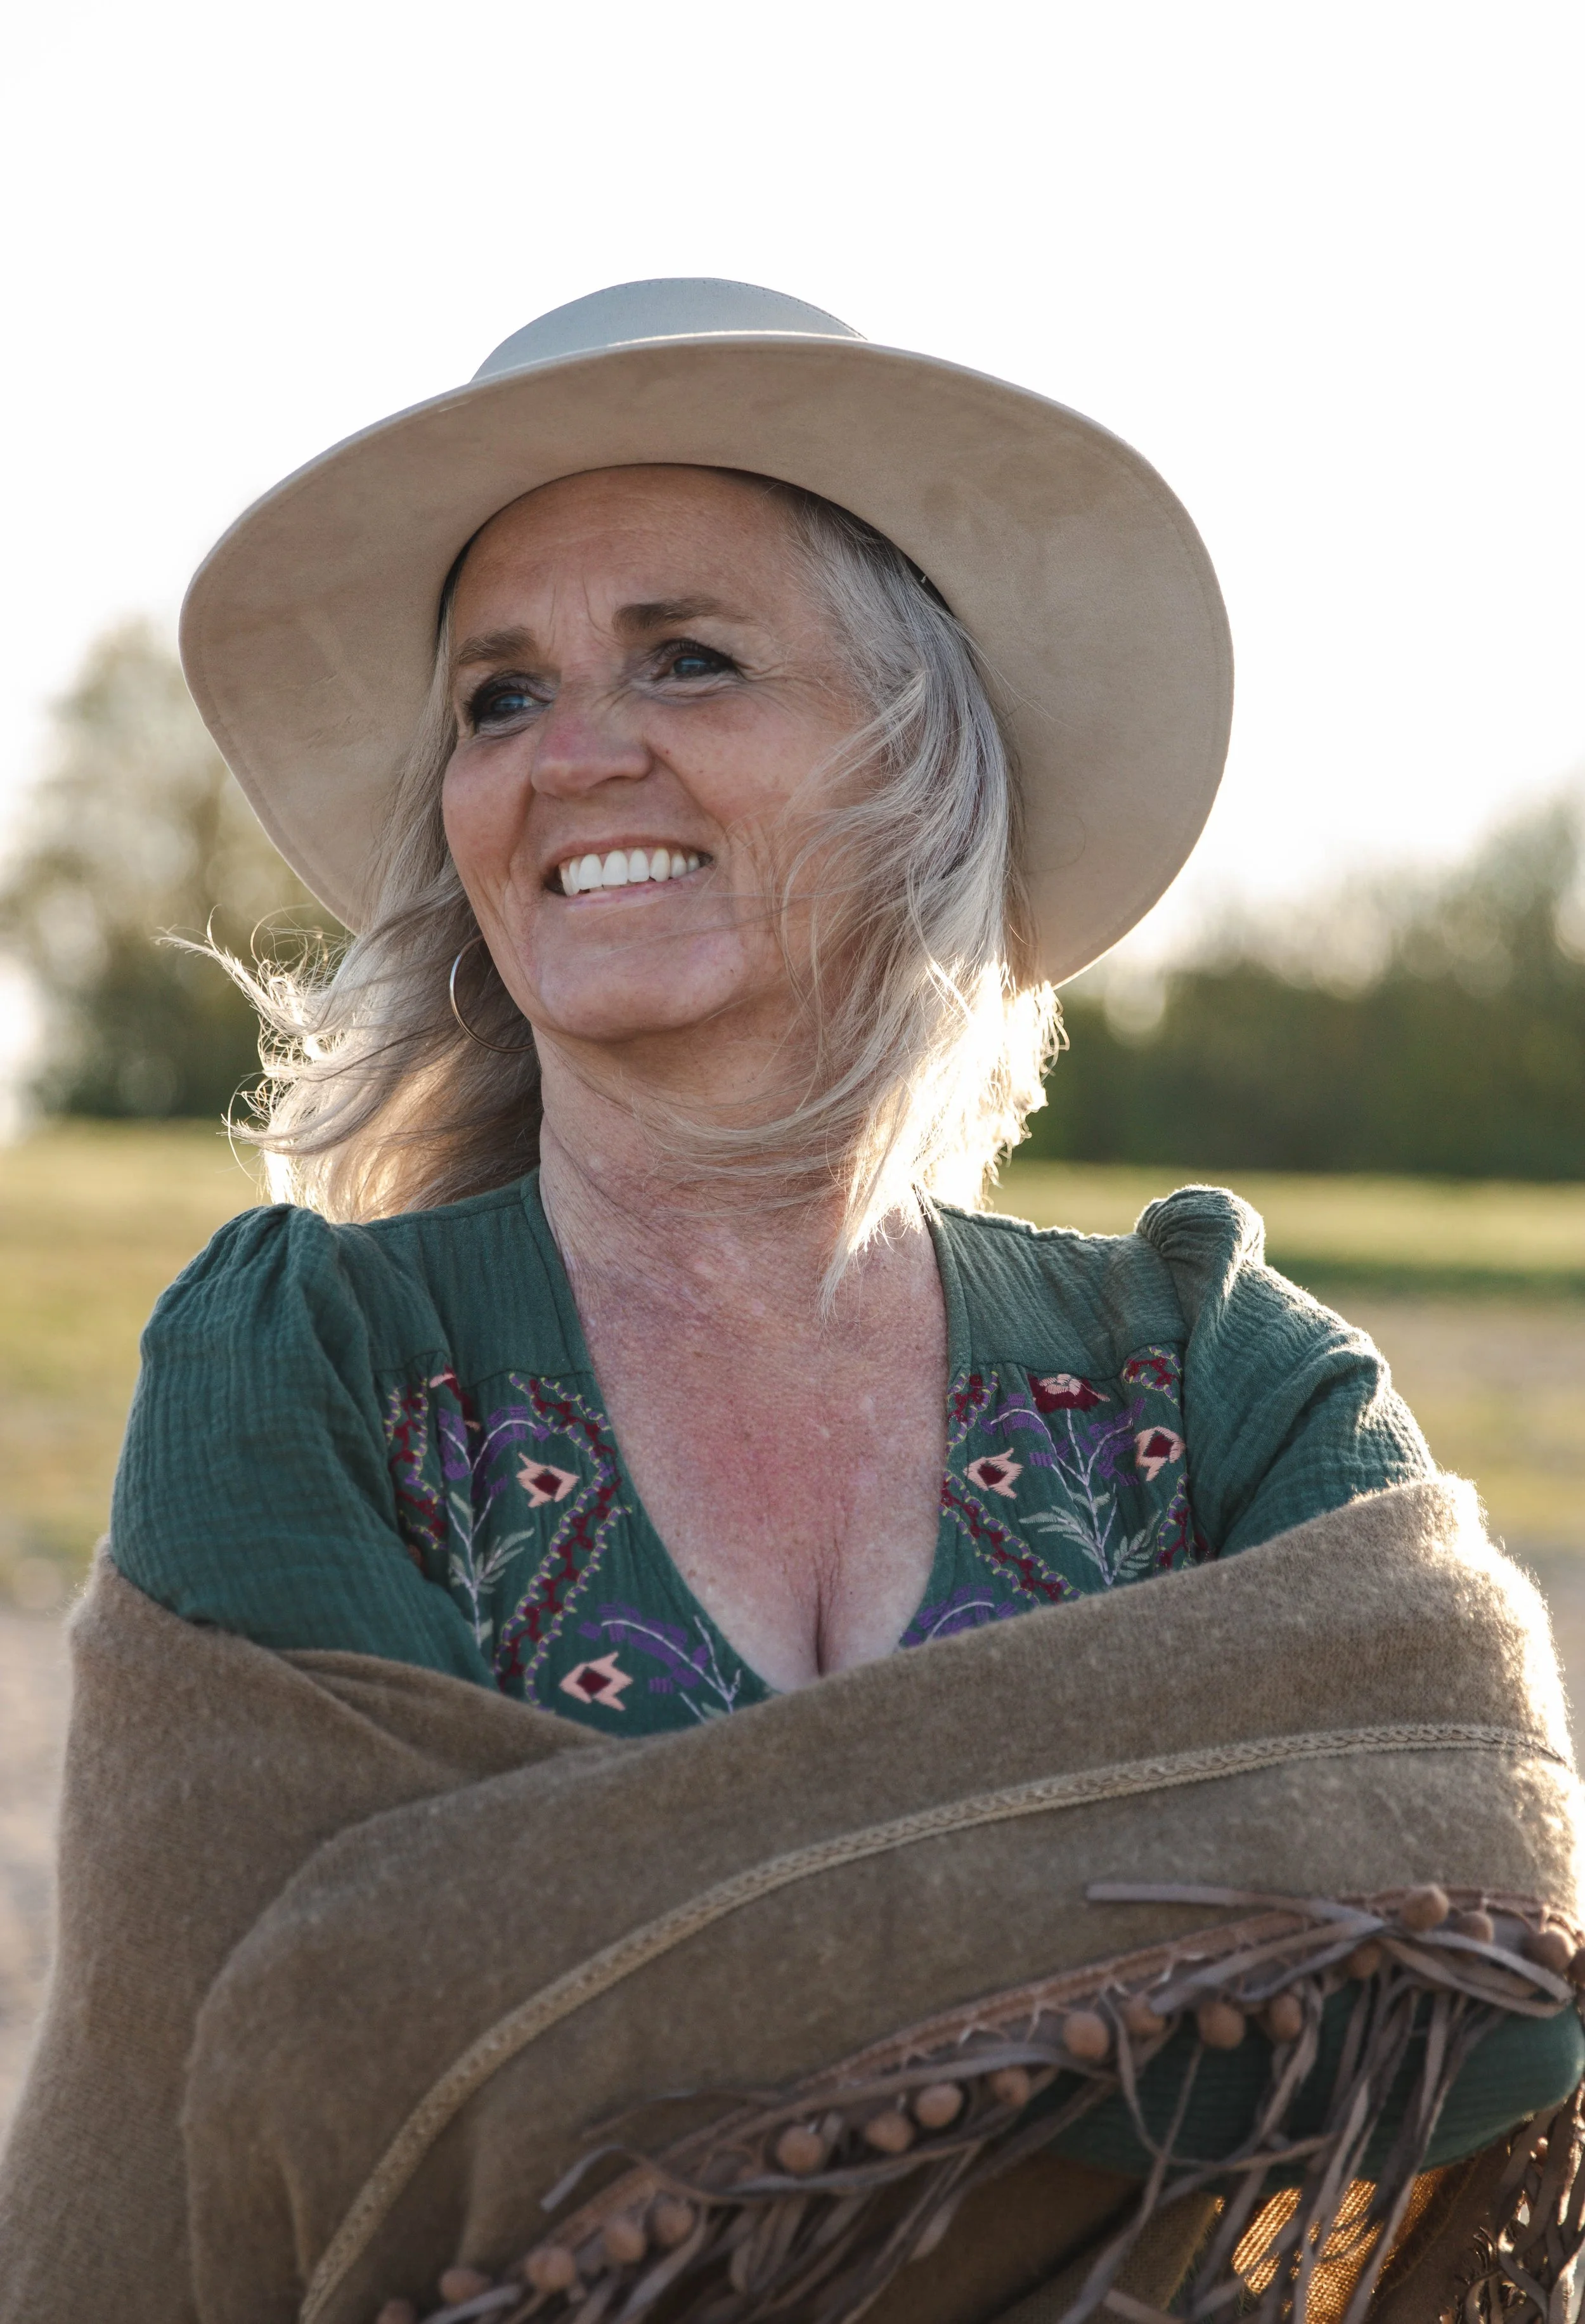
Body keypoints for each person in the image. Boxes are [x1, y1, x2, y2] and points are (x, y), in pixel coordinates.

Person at [8, 282, 1582, 2324]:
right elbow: (327, 2066)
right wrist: (1130, 1969)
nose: (573, 752)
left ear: (921, 758)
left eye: (688, 656)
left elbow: (1485, 1925)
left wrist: (668, 1986)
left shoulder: (1214, 1365)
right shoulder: (304, 1368)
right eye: (496, 698)